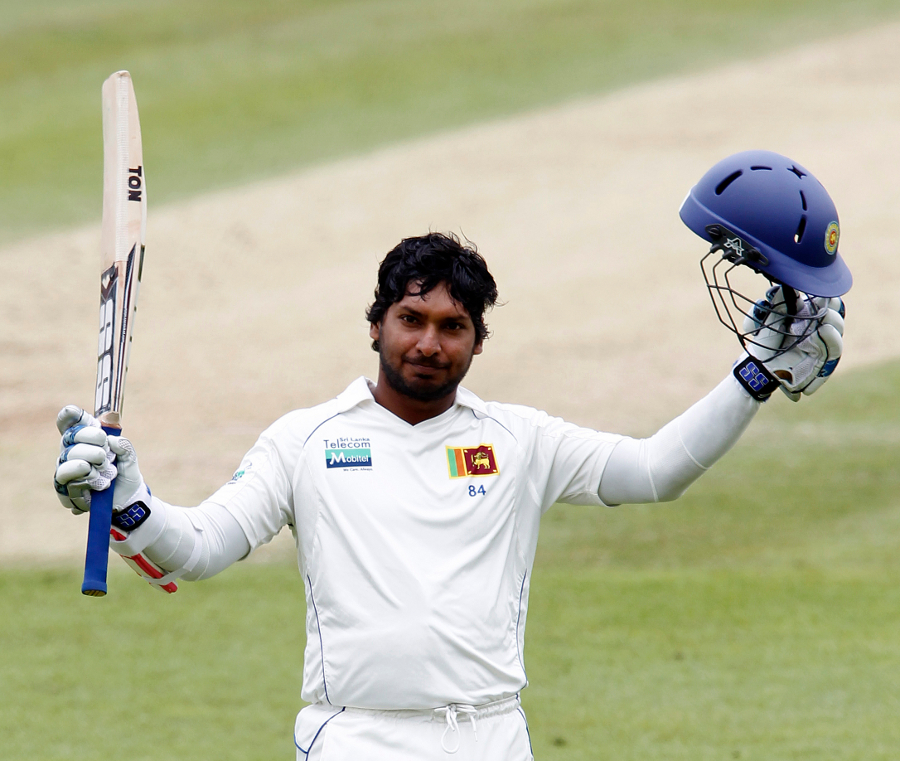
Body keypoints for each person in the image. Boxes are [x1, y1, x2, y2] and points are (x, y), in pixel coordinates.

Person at [54, 150, 850, 760]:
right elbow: (194, 550)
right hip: (358, 739)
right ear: (375, 325)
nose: (428, 342)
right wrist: (126, 497)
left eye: (452, 325)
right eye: (411, 317)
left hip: (492, 737)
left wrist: (756, 378)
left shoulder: (518, 440)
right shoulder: (306, 441)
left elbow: (655, 470)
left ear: (477, 339)